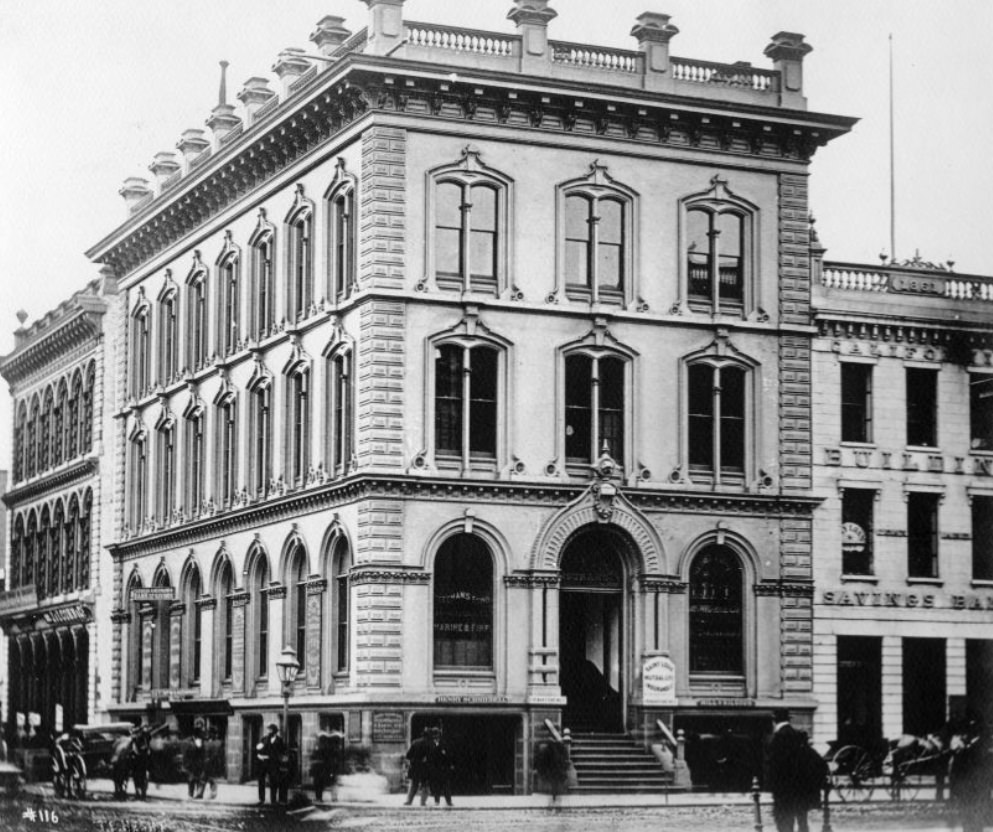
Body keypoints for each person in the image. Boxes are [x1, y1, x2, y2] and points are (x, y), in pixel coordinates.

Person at [767, 709, 813, 832]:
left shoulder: (776, 739)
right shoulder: (800, 736)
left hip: (783, 790)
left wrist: (770, 785)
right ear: (788, 720)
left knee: (785, 824)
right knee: (802, 822)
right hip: (800, 789)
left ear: (774, 721)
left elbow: (773, 766)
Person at [949, 721, 993, 832]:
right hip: (977, 791)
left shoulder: (962, 752)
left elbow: (954, 772)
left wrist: (954, 789)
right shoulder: (984, 751)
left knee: (969, 820)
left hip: (971, 792)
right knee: (974, 820)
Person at [534, 737, 569, 810]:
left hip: (553, 770)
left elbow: (543, 760)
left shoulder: (549, 749)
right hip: (555, 770)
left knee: (554, 786)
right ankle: (555, 803)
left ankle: (554, 803)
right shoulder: (558, 748)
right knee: (555, 786)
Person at [257, 723, 287, 805]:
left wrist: (279, 760)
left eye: (271, 730)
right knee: (261, 780)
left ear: (275, 731)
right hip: (264, 762)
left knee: (273, 781)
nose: (269, 731)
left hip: (273, 763)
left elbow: (282, 751)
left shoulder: (279, 740)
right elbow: (259, 748)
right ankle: (261, 799)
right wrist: (259, 755)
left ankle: (273, 800)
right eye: (268, 730)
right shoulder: (264, 739)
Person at [403, 727, 432, 806]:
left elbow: (408, 755)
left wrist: (412, 762)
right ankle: (423, 802)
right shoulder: (430, 744)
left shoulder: (415, 742)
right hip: (425, 767)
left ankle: (409, 801)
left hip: (415, 766)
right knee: (425, 785)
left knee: (413, 784)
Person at [310, 731, 340, 803]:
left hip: (321, 769)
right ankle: (322, 798)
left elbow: (325, 759)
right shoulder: (323, 748)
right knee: (320, 784)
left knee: (319, 784)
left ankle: (320, 798)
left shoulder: (324, 748)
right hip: (320, 768)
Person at [427, 727, 454, 807]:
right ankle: (437, 801)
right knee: (436, 786)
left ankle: (448, 801)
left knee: (446, 786)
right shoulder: (430, 744)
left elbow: (449, 755)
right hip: (435, 768)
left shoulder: (444, 743)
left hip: (443, 768)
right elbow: (429, 756)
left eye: (437, 734)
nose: (436, 736)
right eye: (434, 734)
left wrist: (448, 763)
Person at [182, 727, 206, 799]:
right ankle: (193, 793)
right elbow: (187, 754)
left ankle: (197, 793)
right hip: (193, 763)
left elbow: (202, 753)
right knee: (192, 779)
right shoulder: (192, 742)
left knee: (198, 779)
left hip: (196, 763)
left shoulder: (198, 742)